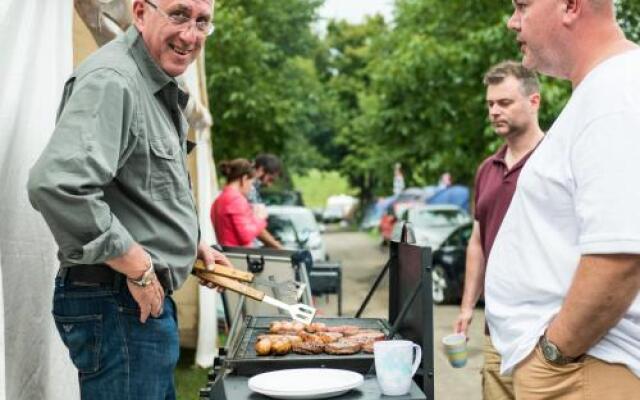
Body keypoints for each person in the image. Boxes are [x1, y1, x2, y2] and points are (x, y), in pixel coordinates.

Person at [26, 1, 232, 399]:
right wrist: (138, 266)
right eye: (178, 15)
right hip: (119, 300)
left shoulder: (154, 82)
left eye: (202, 22)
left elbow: (141, 192)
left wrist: (191, 245)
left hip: (127, 303)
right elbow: (57, 185)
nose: (190, 35)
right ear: (139, 12)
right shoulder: (113, 80)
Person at [485, 1, 640, 398]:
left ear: (571, 5)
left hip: (588, 367)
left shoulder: (615, 94)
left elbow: (621, 255)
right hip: (579, 366)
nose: (512, 21)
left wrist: (553, 356)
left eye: (522, 6)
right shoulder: (602, 90)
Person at [453, 61, 544, 400]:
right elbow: (478, 242)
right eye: (490, 104)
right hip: (497, 330)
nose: (494, 111)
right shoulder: (486, 169)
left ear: (533, 101)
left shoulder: (555, 161)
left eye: (504, 103)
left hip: (544, 331)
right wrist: (466, 307)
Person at [211, 159, 282, 248]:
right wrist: (259, 218)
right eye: (251, 182)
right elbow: (246, 237)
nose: (250, 188)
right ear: (244, 179)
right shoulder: (236, 199)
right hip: (239, 257)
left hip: (227, 253)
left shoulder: (219, 199)